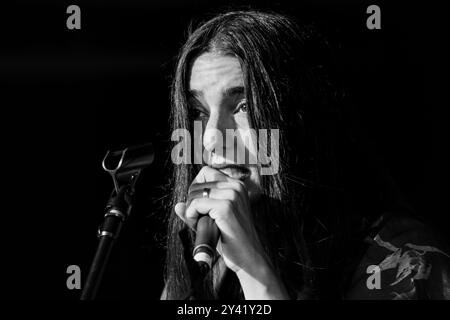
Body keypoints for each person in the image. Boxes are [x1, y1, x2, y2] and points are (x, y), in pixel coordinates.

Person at [161, 10, 450, 300]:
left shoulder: (400, 259)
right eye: (199, 111)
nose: (210, 138)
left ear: (301, 119)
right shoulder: (207, 255)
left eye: (245, 106)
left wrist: (253, 270)